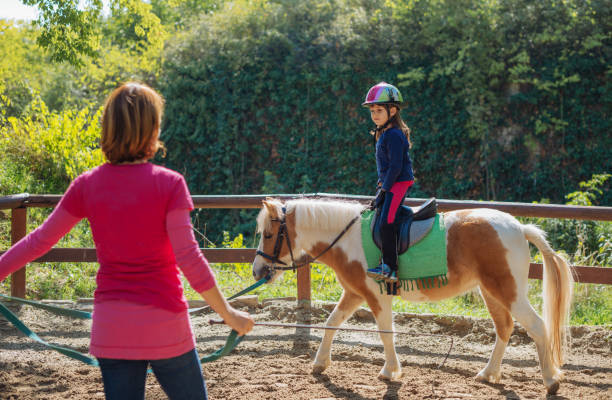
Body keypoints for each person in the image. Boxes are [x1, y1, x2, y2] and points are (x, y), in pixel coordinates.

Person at [0, 82, 254, 400]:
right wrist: (230, 315)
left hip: (112, 327)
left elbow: (39, 240)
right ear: (152, 130)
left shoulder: (86, 185)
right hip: (165, 324)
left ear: (109, 128)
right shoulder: (170, 184)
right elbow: (189, 258)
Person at [363, 82, 414, 283]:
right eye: (372, 111)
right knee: (380, 216)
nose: (375, 115)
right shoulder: (385, 132)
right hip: (390, 182)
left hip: (398, 183)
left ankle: (391, 268)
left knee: (386, 222)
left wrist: (384, 189)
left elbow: (395, 167)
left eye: (379, 110)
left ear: (392, 110)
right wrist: (381, 185)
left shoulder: (393, 134)